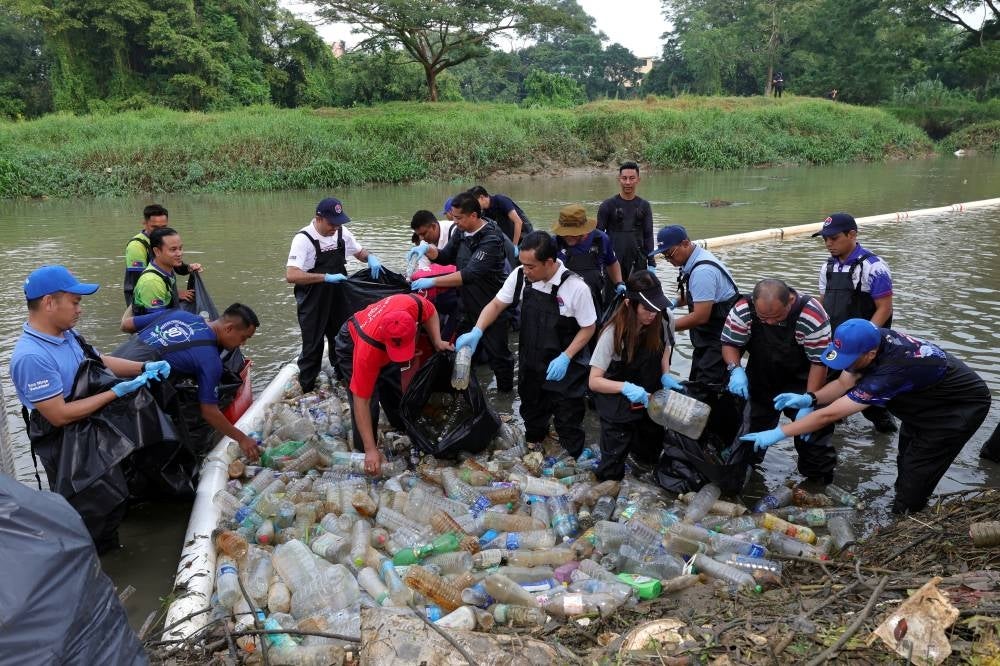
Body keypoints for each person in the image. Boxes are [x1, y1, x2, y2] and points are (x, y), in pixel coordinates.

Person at [740, 319, 992, 514]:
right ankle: (905, 502)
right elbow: (842, 383)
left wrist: (780, 432)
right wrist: (810, 399)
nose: (845, 363)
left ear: (870, 355)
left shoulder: (889, 371)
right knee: (905, 458)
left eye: (849, 359)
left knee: (917, 472)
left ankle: (904, 519)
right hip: (924, 400)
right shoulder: (868, 340)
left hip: (957, 408)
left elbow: (830, 415)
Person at [10, 265, 169, 550]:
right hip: (66, 442)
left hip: (91, 428)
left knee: (113, 497)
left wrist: (143, 366)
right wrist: (115, 392)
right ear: (49, 303)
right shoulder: (31, 357)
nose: (79, 309)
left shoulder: (66, 334)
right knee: (86, 512)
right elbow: (58, 415)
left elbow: (100, 360)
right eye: (75, 301)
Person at [456, 232, 597, 457]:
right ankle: (535, 449)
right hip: (531, 361)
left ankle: (572, 458)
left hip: (565, 367)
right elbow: (495, 305)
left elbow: (589, 328)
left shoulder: (576, 287)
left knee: (568, 419)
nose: (525, 270)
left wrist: (567, 356)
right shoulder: (521, 276)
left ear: (549, 262)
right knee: (532, 414)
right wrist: (477, 330)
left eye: (531, 266)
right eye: (523, 264)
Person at [721, 279, 838, 482]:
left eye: (776, 317)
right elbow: (730, 343)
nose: (770, 323)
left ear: (790, 302)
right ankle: (743, 481)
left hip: (804, 380)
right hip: (762, 377)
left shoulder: (811, 314)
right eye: (763, 318)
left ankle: (818, 485)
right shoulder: (743, 309)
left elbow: (819, 363)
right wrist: (735, 370)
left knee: (813, 439)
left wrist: (809, 400)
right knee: (749, 436)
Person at [117, 304, 260, 459]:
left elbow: (126, 325)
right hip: (124, 397)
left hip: (104, 370)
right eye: (244, 337)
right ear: (229, 328)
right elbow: (209, 412)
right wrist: (242, 439)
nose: (243, 344)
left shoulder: (177, 314)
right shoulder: (210, 361)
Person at [334, 293, 451, 476]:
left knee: (395, 393)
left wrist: (437, 340)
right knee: (369, 400)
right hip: (352, 342)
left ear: (414, 327)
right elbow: (361, 401)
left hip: (383, 337)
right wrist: (371, 449)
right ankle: (365, 453)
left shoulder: (413, 304)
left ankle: (399, 429)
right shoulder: (367, 351)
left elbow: (431, 312)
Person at [408, 192, 515, 392]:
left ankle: (504, 399)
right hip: (467, 306)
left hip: (492, 307)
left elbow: (470, 274)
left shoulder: (491, 238)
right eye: (454, 217)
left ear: (473, 216)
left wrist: (432, 281)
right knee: (462, 355)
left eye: (458, 218)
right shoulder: (461, 232)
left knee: (499, 357)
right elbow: (446, 255)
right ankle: (468, 394)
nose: (454, 222)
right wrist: (427, 250)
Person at [589, 270, 681, 480]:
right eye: (647, 309)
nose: (653, 314)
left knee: (649, 454)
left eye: (656, 308)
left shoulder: (665, 317)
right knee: (612, 465)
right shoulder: (612, 332)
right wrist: (625, 387)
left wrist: (666, 374)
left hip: (650, 395)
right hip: (617, 397)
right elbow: (594, 381)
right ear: (631, 304)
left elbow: (666, 348)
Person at [285, 197, 384, 393]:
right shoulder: (303, 239)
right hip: (313, 298)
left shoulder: (341, 232)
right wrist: (325, 277)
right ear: (318, 218)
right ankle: (308, 387)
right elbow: (291, 275)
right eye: (331, 223)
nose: (335, 228)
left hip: (338, 295)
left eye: (338, 223)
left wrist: (370, 258)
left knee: (341, 336)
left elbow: (359, 252)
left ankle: (342, 377)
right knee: (313, 344)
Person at [814, 211, 897, 434]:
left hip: (866, 345)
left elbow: (884, 307)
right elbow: (823, 303)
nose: (828, 244)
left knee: (870, 398)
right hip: (837, 342)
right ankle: (831, 429)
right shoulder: (827, 268)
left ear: (852, 234)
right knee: (827, 390)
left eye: (834, 238)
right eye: (825, 239)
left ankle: (885, 433)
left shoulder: (874, 266)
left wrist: (866, 341)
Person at [650, 225, 740, 385]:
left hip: (719, 338)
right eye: (664, 255)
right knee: (697, 381)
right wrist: (675, 302)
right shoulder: (693, 261)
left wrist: (665, 326)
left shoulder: (702, 271)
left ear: (685, 243)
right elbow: (698, 295)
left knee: (708, 386)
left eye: (669, 254)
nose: (669, 260)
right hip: (706, 338)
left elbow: (701, 316)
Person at [551, 203, 625, 314]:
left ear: (585, 231)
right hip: (562, 302)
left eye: (573, 234)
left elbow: (612, 263)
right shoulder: (554, 242)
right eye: (565, 233)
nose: (568, 237)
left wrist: (619, 283)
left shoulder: (601, 239)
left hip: (592, 300)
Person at [597, 161, 655, 280]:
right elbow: (598, 236)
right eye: (624, 178)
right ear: (619, 179)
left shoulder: (644, 206)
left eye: (632, 178)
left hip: (638, 261)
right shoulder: (607, 205)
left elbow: (648, 235)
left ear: (638, 179)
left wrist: (651, 261)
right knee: (611, 297)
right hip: (612, 261)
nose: (628, 182)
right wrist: (598, 262)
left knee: (637, 297)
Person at [131, 227, 199, 316]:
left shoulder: (166, 269)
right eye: (173, 249)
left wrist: (190, 268)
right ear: (157, 251)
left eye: (180, 248)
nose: (179, 253)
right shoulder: (152, 282)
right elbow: (158, 322)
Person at [468, 185, 534, 245]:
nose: (474, 206)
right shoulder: (485, 212)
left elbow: (518, 222)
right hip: (510, 238)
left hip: (525, 236)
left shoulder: (500, 200)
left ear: (481, 197)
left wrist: (514, 246)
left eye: (475, 202)